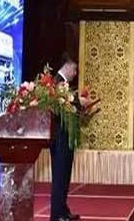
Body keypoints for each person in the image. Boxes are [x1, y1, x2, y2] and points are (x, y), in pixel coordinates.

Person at [50, 53, 80, 221]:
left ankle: (63, 210)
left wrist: (80, 106)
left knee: (65, 176)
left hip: (66, 138)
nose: (75, 73)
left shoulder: (64, 85)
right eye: (74, 69)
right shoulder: (56, 84)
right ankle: (56, 215)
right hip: (60, 138)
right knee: (59, 177)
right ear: (67, 66)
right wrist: (78, 103)